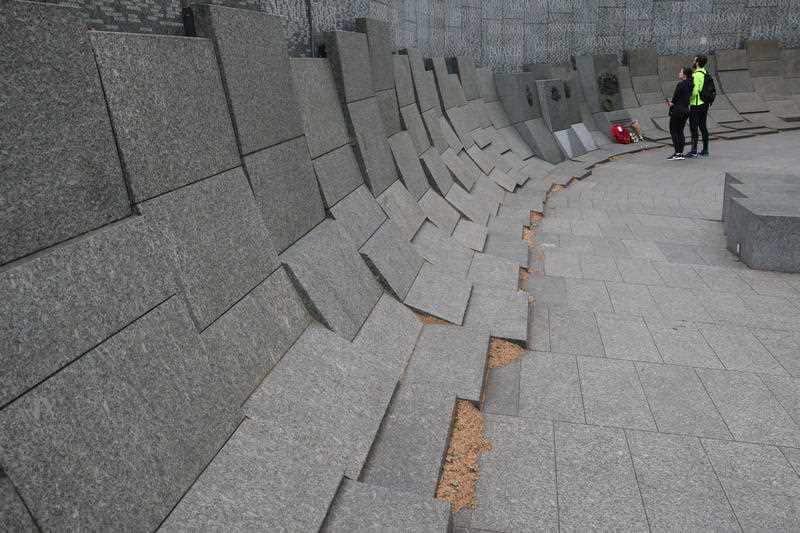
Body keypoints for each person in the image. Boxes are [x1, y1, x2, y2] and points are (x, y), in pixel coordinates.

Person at [666, 67, 693, 160]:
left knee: (673, 130)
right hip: (686, 110)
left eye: (681, 72)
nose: (679, 73)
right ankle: (680, 153)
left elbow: (675, 99)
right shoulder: (691, 84)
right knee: (680, 131)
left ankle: (677, 153)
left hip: (677, 110)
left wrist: (670, 103)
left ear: (685, 75)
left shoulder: (680, 84)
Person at [687, 54, 710, 157]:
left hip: (696, 104)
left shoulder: (696, 75)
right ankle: (705, 149)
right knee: (703, 126)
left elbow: (695, 91)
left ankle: (694, 150)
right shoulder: (705, 72)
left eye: (694, 60)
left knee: (693, 127)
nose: (693, 62)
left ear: (697, 63)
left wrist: (688, 99)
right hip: (705, 104)